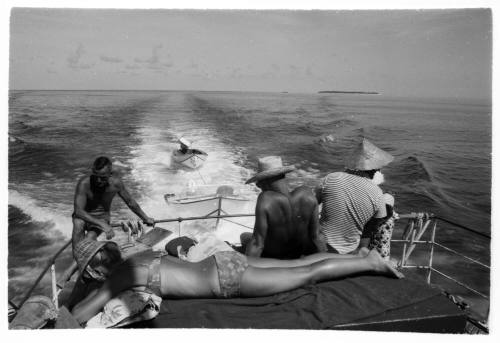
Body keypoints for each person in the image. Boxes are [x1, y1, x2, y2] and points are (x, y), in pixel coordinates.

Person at [70, 238, 404, 325]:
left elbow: (81, 313)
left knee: (306, 275)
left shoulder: (117, 278)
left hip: (225, 278)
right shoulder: (135, 259)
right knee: (299, 263)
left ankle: (370, 264)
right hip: (221, 261)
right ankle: (359, 256)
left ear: (96, 271)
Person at [315, 138, 394, 255]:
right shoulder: (377, 193)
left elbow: (313, 204)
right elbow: (373, 226)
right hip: (349, 253)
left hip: (319, 246)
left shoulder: (331, 178)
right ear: (376, 169)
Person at [243, 156, 326, 259]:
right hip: (298, 254)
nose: (258, 186)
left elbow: (257, 244)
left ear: (264, 182)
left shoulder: (266, 200)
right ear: (283, 175)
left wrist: (246, 269)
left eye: (259, 182)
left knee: (244, 236)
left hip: (274, 258)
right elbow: (317, 236)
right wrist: (325, 260)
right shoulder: (307, 194)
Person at [72, 156, 155, 252]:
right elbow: (78, 211)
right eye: (96, 176)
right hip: (84, 217)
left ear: (110, 174)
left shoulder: (116, 183)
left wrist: (146, 218)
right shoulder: (84, 183)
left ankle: (84, 258)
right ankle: (78, 260)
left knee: (88, 239)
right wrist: (103, 225)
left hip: (101, 217)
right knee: (78, 224)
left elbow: (130, 202)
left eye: (102, 178)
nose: (98, 180)